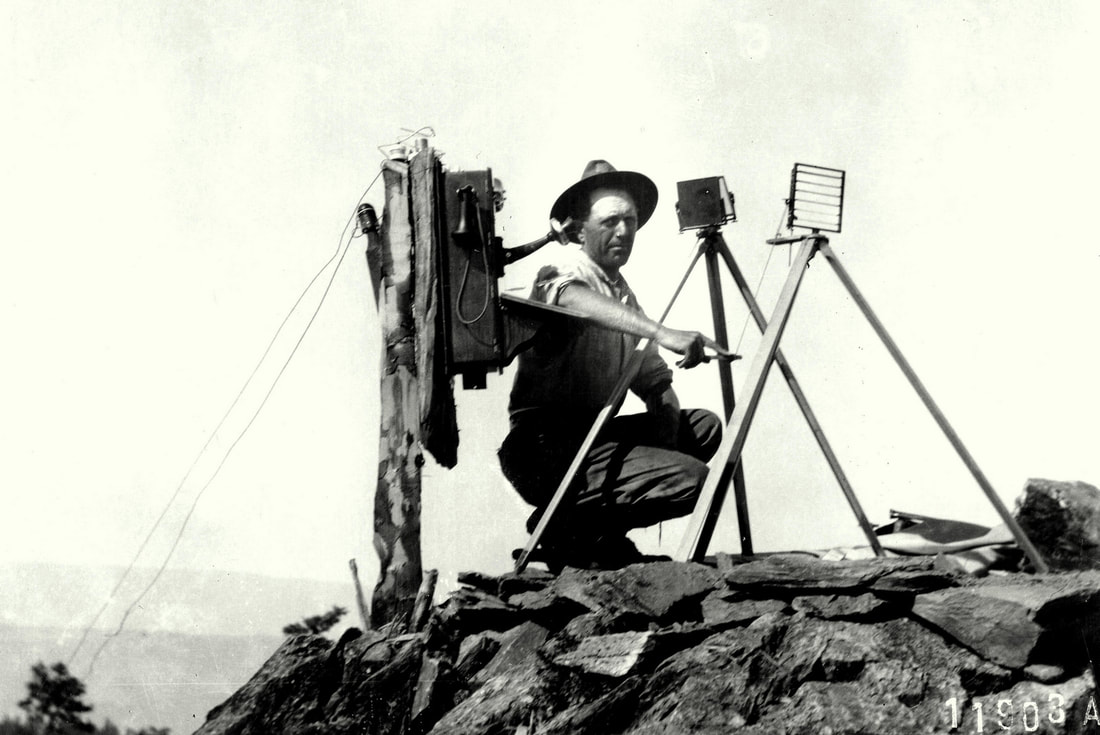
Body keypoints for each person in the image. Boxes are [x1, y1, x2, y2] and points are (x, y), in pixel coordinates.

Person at [498, 160, 732, 570]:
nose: (624, 232)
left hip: (593, 440)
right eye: (609, 221)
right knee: (692, 480)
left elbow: (653, 377)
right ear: (578, 230)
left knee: (704, 427)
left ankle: (590, 534)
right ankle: (563, 530)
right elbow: (572, 299)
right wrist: (664, 332)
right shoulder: (564, 270)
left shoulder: (623, 295)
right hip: (542, 449)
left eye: (631, 221)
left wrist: (664, 415)